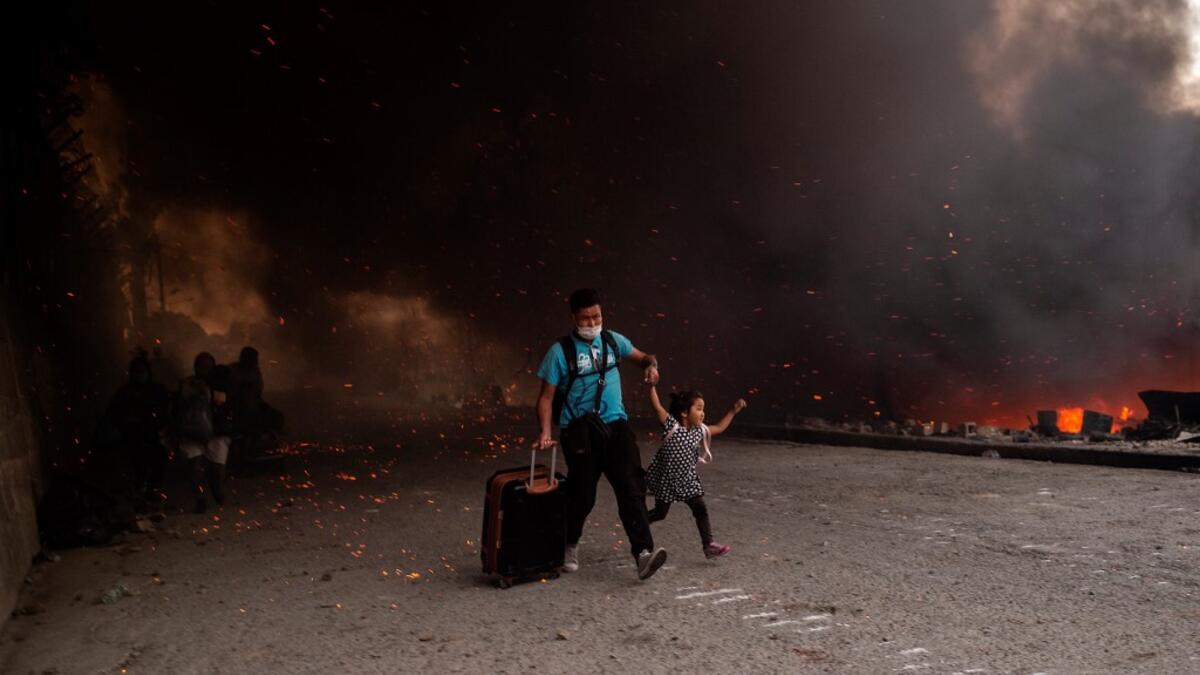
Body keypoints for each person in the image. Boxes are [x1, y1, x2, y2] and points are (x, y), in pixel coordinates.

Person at [535, 288, 667, 580]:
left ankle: (643, 554)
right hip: (579, 432)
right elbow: (545, 397)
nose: (593, 322)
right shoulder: (560, 352)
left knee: (631, 488)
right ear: (574, 318)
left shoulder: (613, 341)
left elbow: (645, 356)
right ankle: (569, 543)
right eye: (586, 317)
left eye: (597, 316)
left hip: (615, 426)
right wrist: (545, 432)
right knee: (583, 495)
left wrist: (652, 367)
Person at [645, 386, 747, 559]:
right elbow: (657, 407)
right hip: (667, 482)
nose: (703, 413)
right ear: (685, 413)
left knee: (700, 508)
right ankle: (638, 522)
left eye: (703, 409)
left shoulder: (698, 431)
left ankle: (708, 546)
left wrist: (733, 411)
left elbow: (719, 428)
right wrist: (652, 386)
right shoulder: (672, 426)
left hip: (688, 481)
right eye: (699, 408)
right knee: (660, 514)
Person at [103, 354, 170, 507]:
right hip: (131, 438)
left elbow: (164, 411)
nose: (140, 374)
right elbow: (114, 413)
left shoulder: (156, 390)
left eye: (142, 370)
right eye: (136, 371)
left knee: (157, 463)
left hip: (153, 436)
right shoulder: (125, 393)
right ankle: (138, 496)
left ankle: (152, 491)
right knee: (136, 466)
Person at [176, 352, 231, 513]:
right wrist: (194, 396)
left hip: (215, 433)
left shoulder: (219, 384)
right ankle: (199, 499)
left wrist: (210, 393)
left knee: (217, 470)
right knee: (194, 466)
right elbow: (179, 408)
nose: (203, 369)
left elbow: (222, 407)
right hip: (191, 431)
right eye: (200, 365)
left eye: (207, 366)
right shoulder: (186, 384)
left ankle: (217, 489)